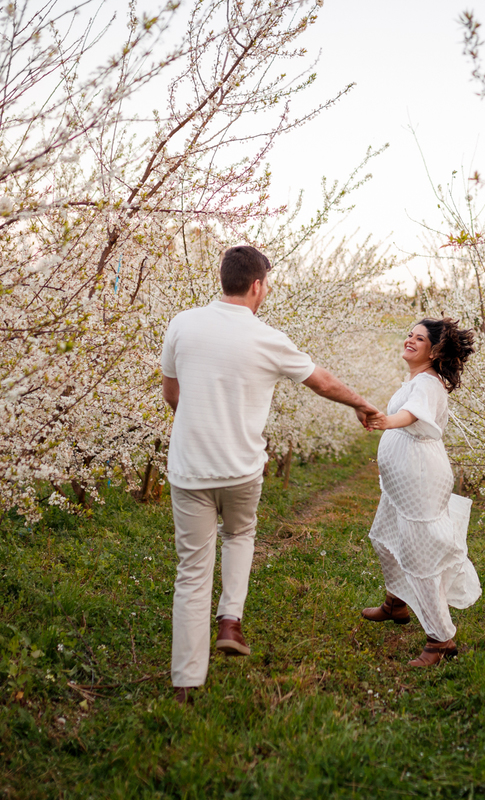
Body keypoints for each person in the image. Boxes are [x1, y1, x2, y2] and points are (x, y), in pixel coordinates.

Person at [161, 244, 380, 704]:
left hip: (189, 467)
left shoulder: (181, 323)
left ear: (223, 279)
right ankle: (230, 620)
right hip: (240, 468)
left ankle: (185, 684)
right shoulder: (268, 338)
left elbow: (172, 394)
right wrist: (360, 402)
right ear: (257, 285)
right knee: (239, 535)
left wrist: (203, 417)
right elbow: (322, 382)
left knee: (192, 570)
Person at [362, 317, 480, 666]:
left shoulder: (428, 384)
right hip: (402, 483)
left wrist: (387, 420)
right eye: (408, 335)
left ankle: (440, 638)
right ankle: (397, 602)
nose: (409, 341)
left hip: (420, 480)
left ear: (435, 350)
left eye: (419, 338)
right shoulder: (417, 379)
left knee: (420, 557)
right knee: (384, 538)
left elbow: (412, 415)